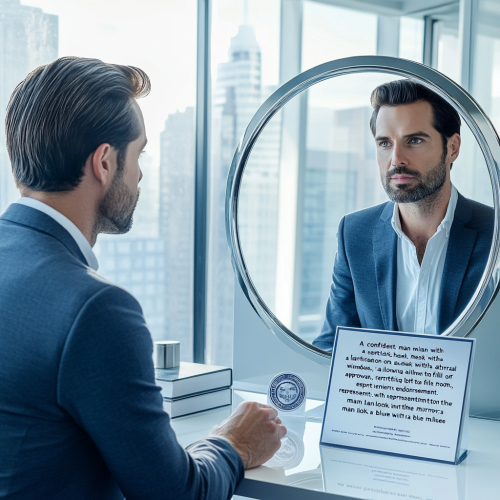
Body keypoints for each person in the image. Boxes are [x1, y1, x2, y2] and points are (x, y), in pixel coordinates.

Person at [0, 57, 286, 500]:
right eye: (140, 155)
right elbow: (175, 494)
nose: (139, 175)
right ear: (105, 162)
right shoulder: (93, 309)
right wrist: (233, 443)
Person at [313, 79, 494, 351]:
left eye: (415, 140)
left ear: (453, 148)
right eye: (385, 143)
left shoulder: (495, 233)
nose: (396, 159)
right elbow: (331, 345)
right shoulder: (354, 233)